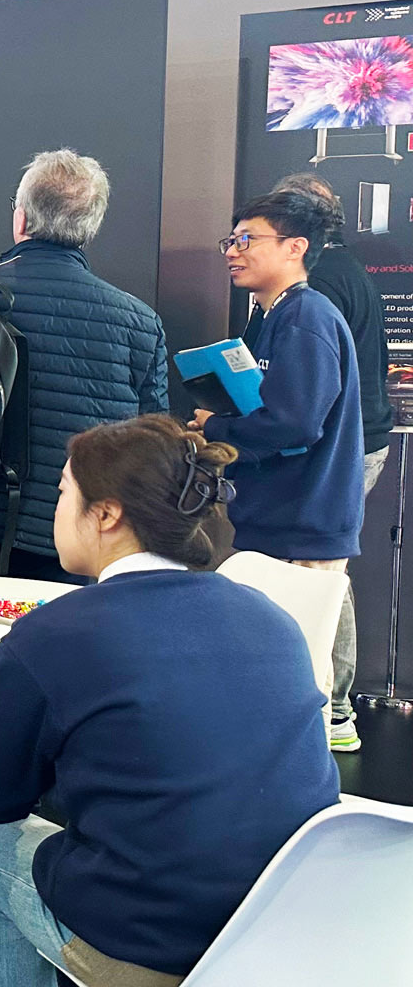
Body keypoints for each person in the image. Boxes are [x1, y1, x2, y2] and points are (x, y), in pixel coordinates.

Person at [0, 416, 339, 987]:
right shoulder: (270, 619)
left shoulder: (55, 635)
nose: (54, 509)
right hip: (287, 945)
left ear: (106, 514)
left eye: (63, 493)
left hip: (160, 955)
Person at [0, 150, 169, 576]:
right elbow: (152, 442)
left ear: (21, 218)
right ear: (90, 228)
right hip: (74, 546)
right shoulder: (140, 323)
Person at [196, 189, 366, 750]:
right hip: (277, 513)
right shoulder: (273, 317)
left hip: (304, 519)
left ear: (296, 247)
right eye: (231, 240)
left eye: (248, 240)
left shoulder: (307, 317)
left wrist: (218, 429)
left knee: (300, 671)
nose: (233, 251)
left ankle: (310, 767)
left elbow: (296, 422)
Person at [262, 173, 391, 487]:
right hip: (354, 438)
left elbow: (306, 391)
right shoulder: (345, 268)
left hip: (331, 448)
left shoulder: (314, 282)